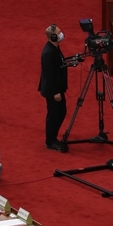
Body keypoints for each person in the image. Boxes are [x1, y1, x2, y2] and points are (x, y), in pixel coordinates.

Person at [39, 24, 68, 152]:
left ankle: (52, 137)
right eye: (59, 32)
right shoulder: (48, 53)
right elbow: (48, 75)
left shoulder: (55, 48)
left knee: (61, 112)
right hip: (53, 91)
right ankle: (50, 141)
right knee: (54, 115)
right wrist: (55, 92)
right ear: (54, 36)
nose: (62, 34)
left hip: (58, 88)